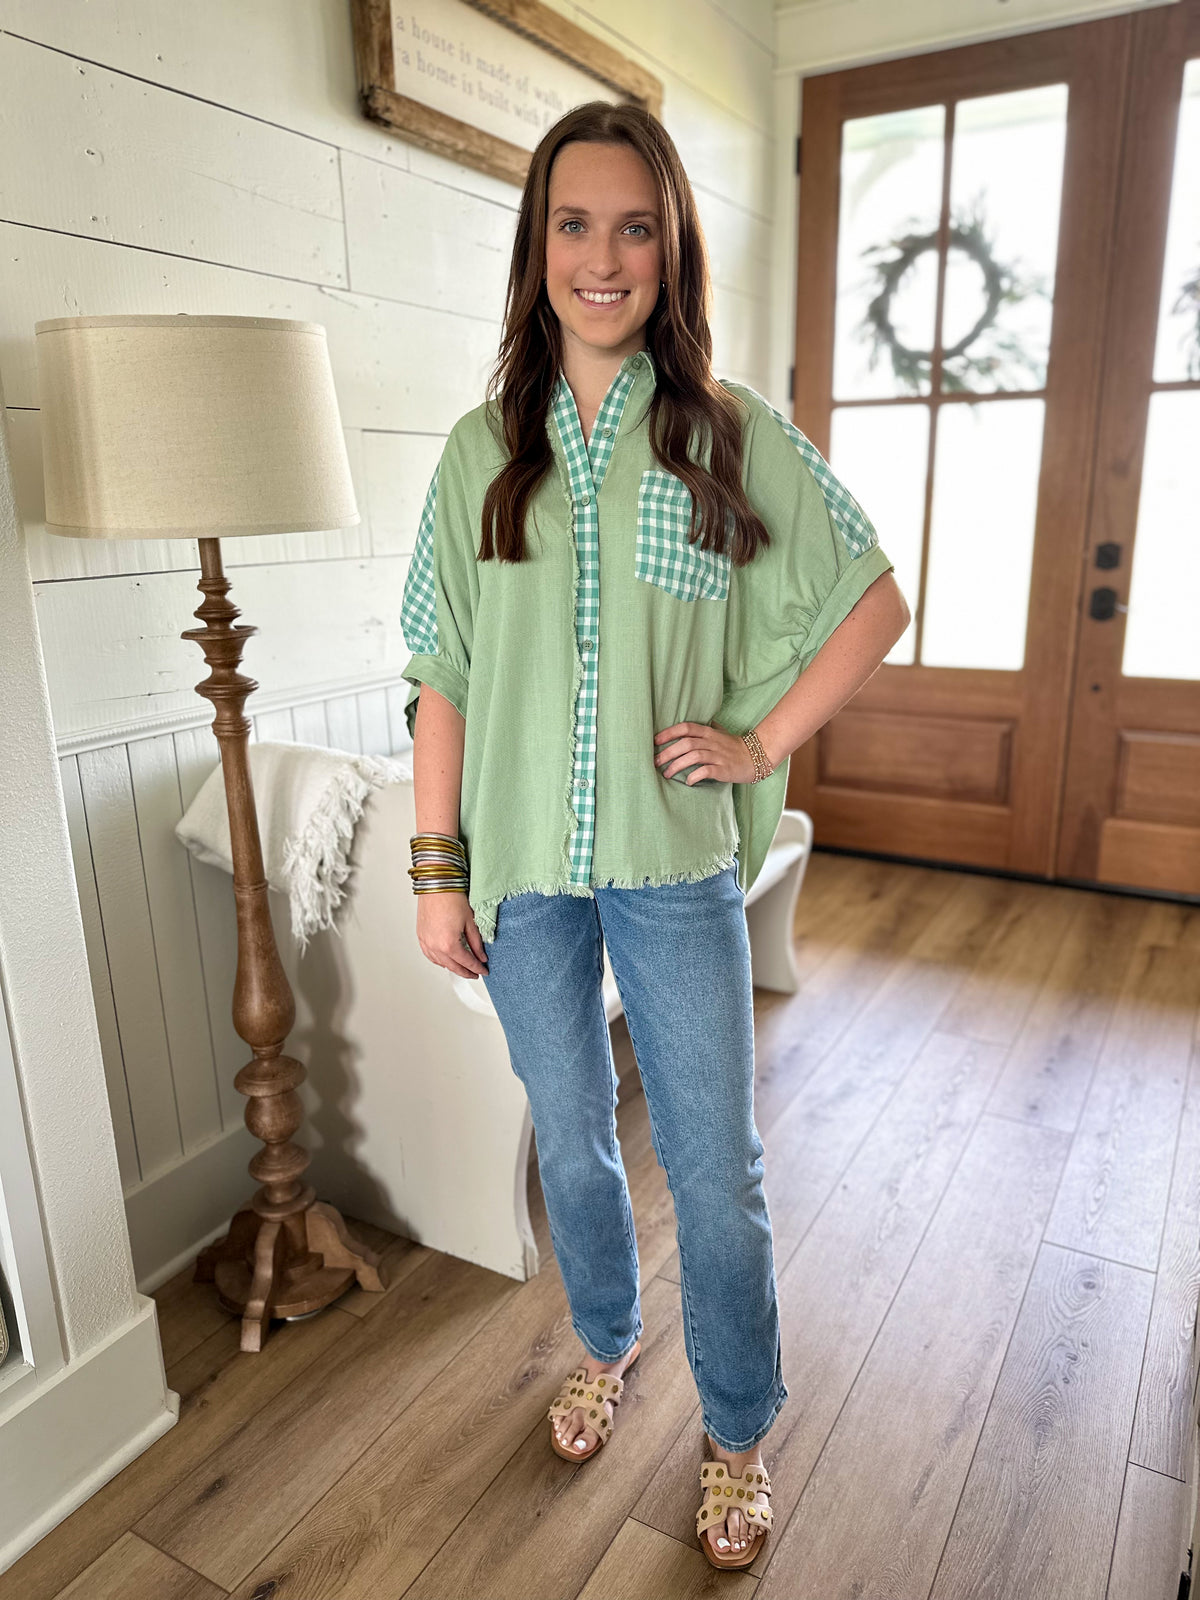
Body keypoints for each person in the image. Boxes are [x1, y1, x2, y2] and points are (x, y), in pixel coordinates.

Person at [399, 101, 910, 1571]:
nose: (603, 255)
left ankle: (740, 1427)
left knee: (715, 1163)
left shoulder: (729, 433)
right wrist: (439, 872)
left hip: (674, 864)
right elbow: (441, 670)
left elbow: (872, 599)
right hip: (523, 877)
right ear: (538, 245)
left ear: (671, 243)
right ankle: (609, 1342)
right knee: (570, 1143)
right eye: (574, 223)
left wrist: (760, 744)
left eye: (635, 224)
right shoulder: (475, 451)